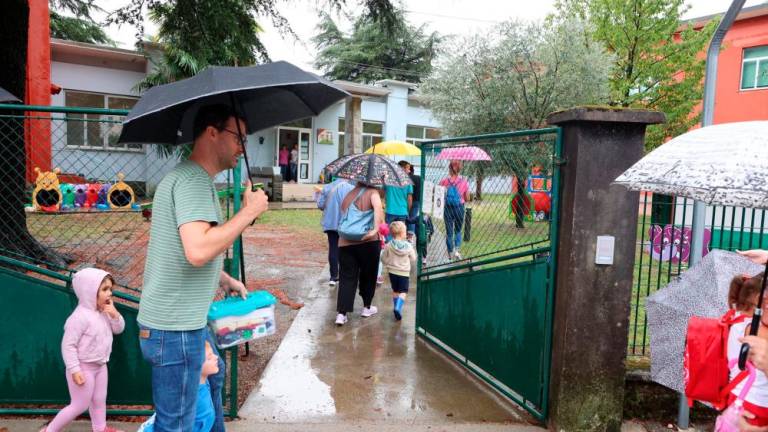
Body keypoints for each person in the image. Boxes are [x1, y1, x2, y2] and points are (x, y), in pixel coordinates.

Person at [137, 104, 268, 431]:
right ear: (212, 132)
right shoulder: (192, 180)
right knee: (179, 424)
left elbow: (184, 250)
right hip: (176, 329)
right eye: (238, 137)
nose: (242, 147)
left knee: (207, 406)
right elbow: (198, 250)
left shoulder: (194, 179)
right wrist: (247, 213)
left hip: (184, 324)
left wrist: (222, 277)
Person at [42, 268, 125, 432]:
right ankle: (49, 430)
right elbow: (68, 345)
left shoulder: (105, 311)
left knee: (99, 400)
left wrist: (115, 315)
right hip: (83, 368)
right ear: (90, 291)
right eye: (104, 289)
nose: (109, 294)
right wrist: (74, 369)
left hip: (101, 366)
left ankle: (100, 428)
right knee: (79, 405)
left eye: (110, 289)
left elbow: (118, 329)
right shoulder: (79, 317)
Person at [138, 340, 219, 432]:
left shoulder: (199, 386)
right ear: (194, 366)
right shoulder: (191, 397)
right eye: (209, 357)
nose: (216, 357)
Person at [335, 182, 385, 326]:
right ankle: (366, 307)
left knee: (346, 277)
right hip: (368, 241)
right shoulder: (373, 193)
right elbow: (377, 209)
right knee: (368, 275)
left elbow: (345, 215)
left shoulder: (349, 194)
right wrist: (376, 229)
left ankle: (341, 314)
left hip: (345, 242)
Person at [316, 177, 354, 286]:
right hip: (346, 224)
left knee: (333, 248)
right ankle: (345, 274)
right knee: (346, 249)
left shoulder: (327, 187)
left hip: (331, 223)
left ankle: (333, 276)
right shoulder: (352, 189)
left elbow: (320, 205)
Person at [381, 221, 416, 321]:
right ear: (401, 233)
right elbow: (413, 258)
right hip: (404, 273)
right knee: (404, 292)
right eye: (405, 232)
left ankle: (397, 309)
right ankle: (397, 308)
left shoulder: (388, 245)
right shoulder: (408, 246)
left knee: (395, 291)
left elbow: (383, 258)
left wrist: (388, 263)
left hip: (392, 272)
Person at [439, 160, 471, 260]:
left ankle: (449, 253)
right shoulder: (464, 181)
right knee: (457, 230)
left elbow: (439, 196)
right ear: (459, 169)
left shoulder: (444, 181)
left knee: (449, 232)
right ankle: (457, 251)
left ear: (449, 168)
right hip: (459, 208)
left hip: (447, 208)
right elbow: (467, 198)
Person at [399, 161, 421, 240]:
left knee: (406, 217)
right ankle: (410, 237)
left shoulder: (405, 179)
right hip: (417, 201)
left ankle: (404, 234)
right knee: (413, 217)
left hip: (407, 200)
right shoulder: (418, 178)